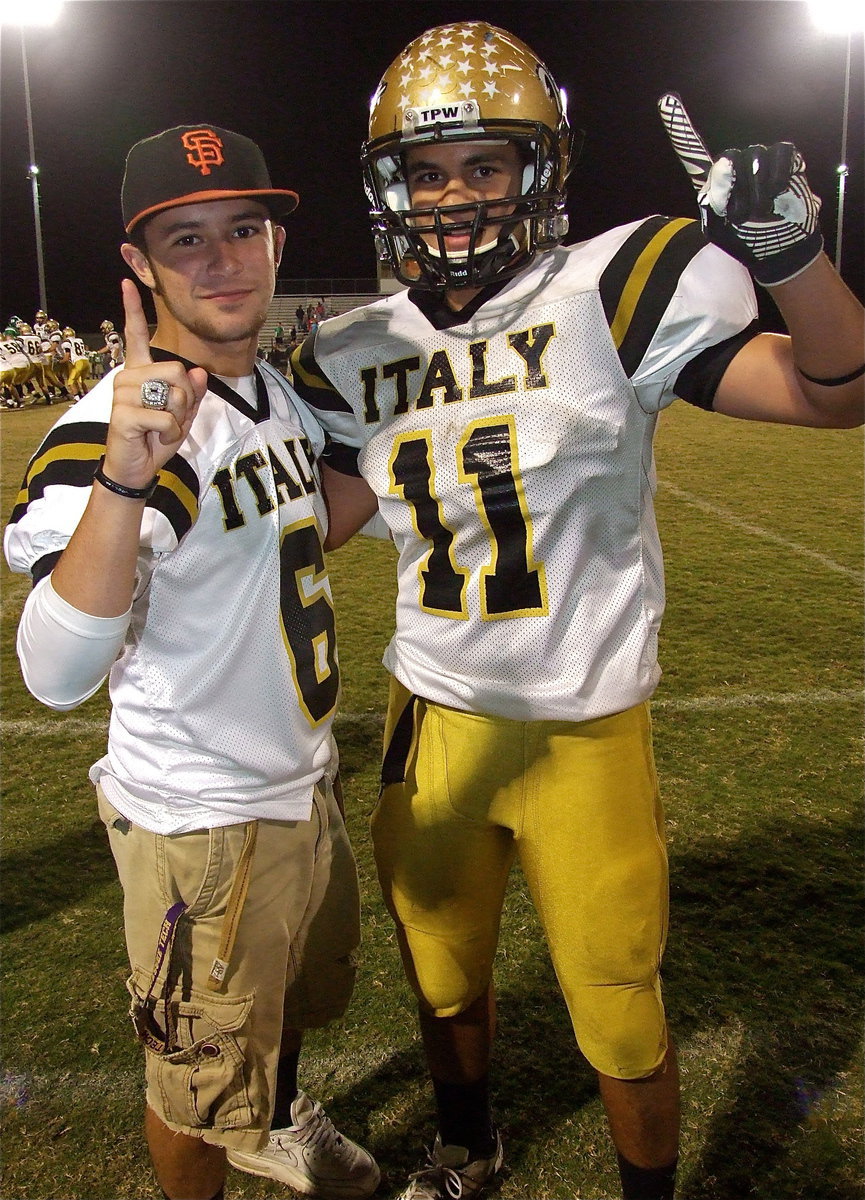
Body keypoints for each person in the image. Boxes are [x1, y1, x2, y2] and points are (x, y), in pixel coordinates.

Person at [288, 20, 864, 1200]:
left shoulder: (614, 285)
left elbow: (831, 394)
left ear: (538, 172)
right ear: (388, 185)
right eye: (427, 171)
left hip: (584, 726)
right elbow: (313, 519)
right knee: (442, 974)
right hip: (434, 718)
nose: (453, 197)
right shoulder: (351, 350)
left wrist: (792, 259)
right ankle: (465, 1147)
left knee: (615, 1007)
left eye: (484, 167)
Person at [5, 123, 379, 1200]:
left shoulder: (277, 393)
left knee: (284, 1016)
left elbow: (303, 528)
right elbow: (55, 673)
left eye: (244, 230)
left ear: (272, 244)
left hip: (300, 782)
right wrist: (124, 481)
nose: (223, 260)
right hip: (201, 821)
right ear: (138, 266)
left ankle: (280, 1109)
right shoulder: (116, 433)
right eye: (187, 240)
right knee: (190, 1087)